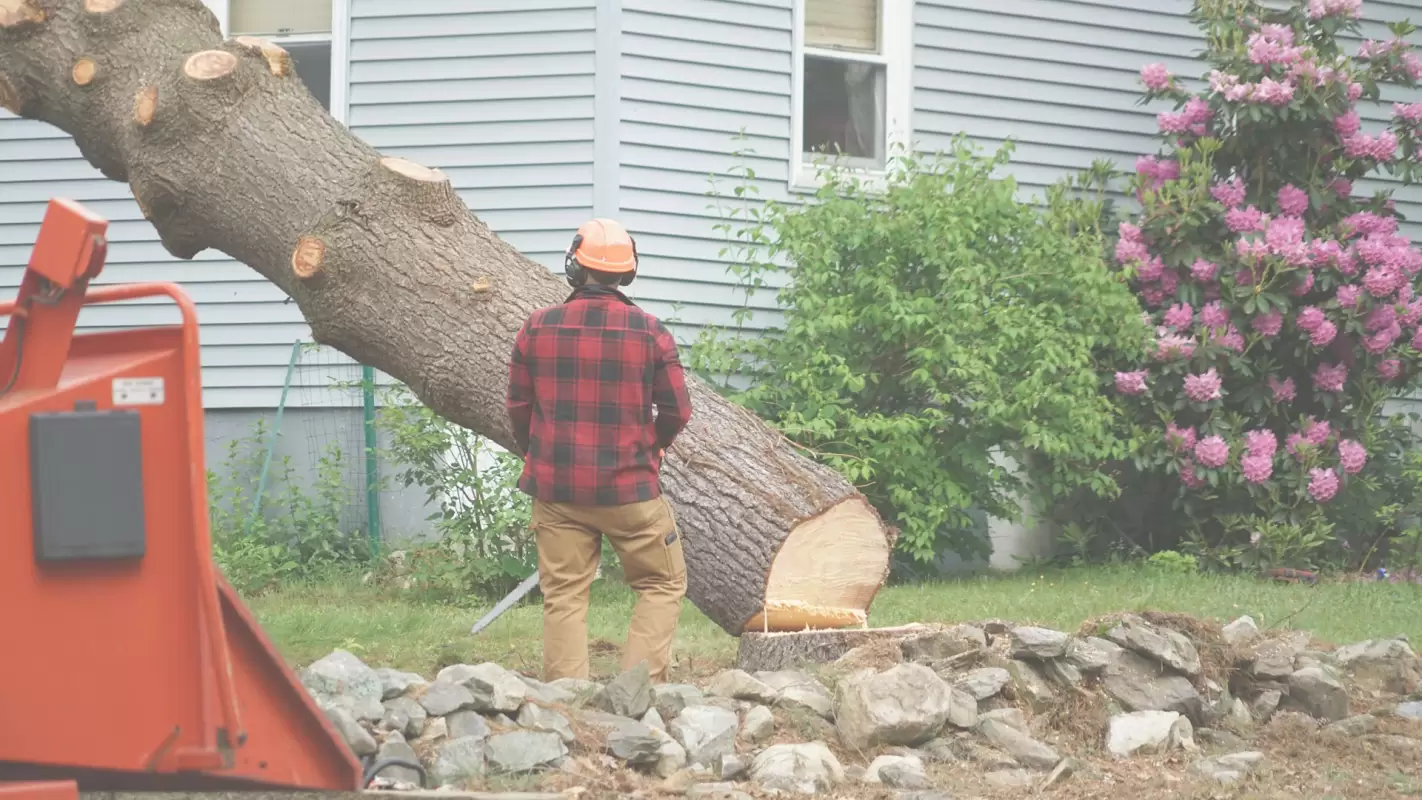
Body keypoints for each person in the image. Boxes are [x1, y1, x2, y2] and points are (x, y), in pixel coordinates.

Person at [506, 218, 694, 684]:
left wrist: (539, 454)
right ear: (627, 273)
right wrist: (655, 445)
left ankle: (565, 704)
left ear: (575, 266)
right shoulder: (651, 332)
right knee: (661, 583)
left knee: (564, 595)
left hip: (557, 490)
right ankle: (638, 693)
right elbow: (677, 410)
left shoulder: (537, 327)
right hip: (630, 490)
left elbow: (517, 406)